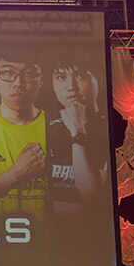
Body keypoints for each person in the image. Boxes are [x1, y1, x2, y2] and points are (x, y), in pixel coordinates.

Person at [0, 52, 47, 223]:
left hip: (50, 238)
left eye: (28, 74)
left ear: (41, 79)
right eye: (8, 72)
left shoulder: (57, 126)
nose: (18, 83)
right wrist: (18, 172)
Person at [47, 56, 108, 215]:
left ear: (99, 78)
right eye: (61, 77)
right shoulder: (45, 129)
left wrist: (77, 132)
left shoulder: (108, 131)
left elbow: (91, 198)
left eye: (80, 76)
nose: (71, 87)